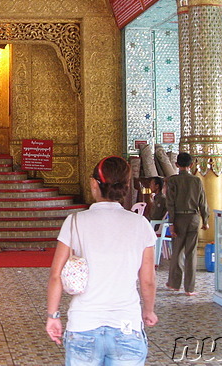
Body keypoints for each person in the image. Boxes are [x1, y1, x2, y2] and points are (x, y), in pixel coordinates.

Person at [46, 156, 158, 365]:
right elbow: (148, 280)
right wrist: (148, 310)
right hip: (127, 324)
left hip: (83, 324)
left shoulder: (75, 222)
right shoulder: (140, 224)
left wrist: (53, 316)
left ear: (94, 184)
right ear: (126, 186)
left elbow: (56, 275)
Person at [165, 152, 209, 296]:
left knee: (177, 251)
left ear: (176, 165)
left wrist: (171, 223)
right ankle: (190, 288)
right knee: (191, 253)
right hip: (194, 218)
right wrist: (206, 220)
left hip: (178, 218)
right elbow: (203, 202)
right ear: (191, 165)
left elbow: (170, 203)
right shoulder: (197, 181)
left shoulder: (172, 181)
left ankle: (174, 284)